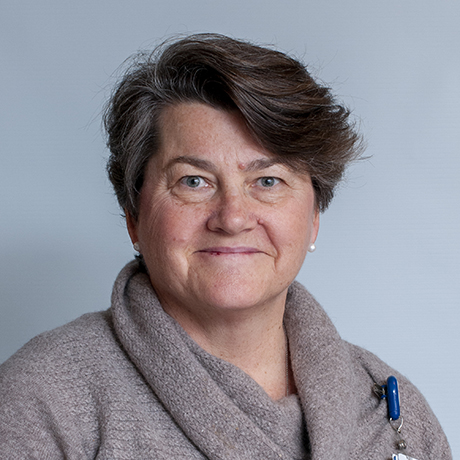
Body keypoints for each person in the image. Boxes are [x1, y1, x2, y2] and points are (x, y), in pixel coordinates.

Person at [0, 34, 451, 459]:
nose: (233, 218)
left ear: (314, 218)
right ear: (133, 216)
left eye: (268, 181)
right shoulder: (41, 400)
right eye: (193, 181)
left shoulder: (392, 409)